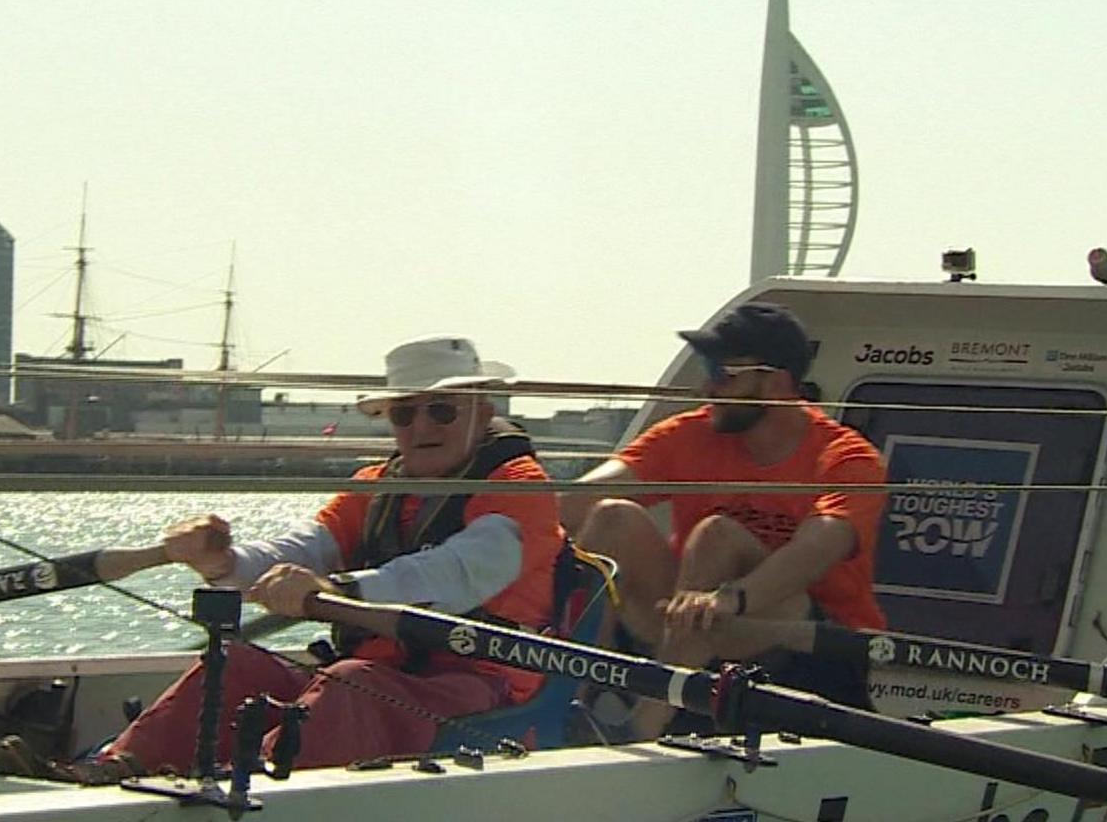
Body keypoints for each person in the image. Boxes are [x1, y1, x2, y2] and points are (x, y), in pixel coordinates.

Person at [101, 336, 566, 773]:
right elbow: (306, 546)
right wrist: (223, 562)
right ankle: (116, 767)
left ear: (482, 415)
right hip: (375, 674)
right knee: (237, 661)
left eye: (441, 412)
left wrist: (333, 589)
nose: (421, 427)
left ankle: (260, 783)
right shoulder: (374, 487)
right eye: (404, 415)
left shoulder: (519, 488)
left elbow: (451, 576)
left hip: (480, 685)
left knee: (350, 682)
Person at [561, 302, 887, 738]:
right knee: (611, 517)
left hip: (808, 650)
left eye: (721, 373)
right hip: (691, 632)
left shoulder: (847, 458)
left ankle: (643, 727)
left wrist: (730, 600)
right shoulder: (692, 434)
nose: (706, 387)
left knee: (718, 536)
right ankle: (571, 704)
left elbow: (819, 548)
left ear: (775, 383)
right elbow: (579, 501)